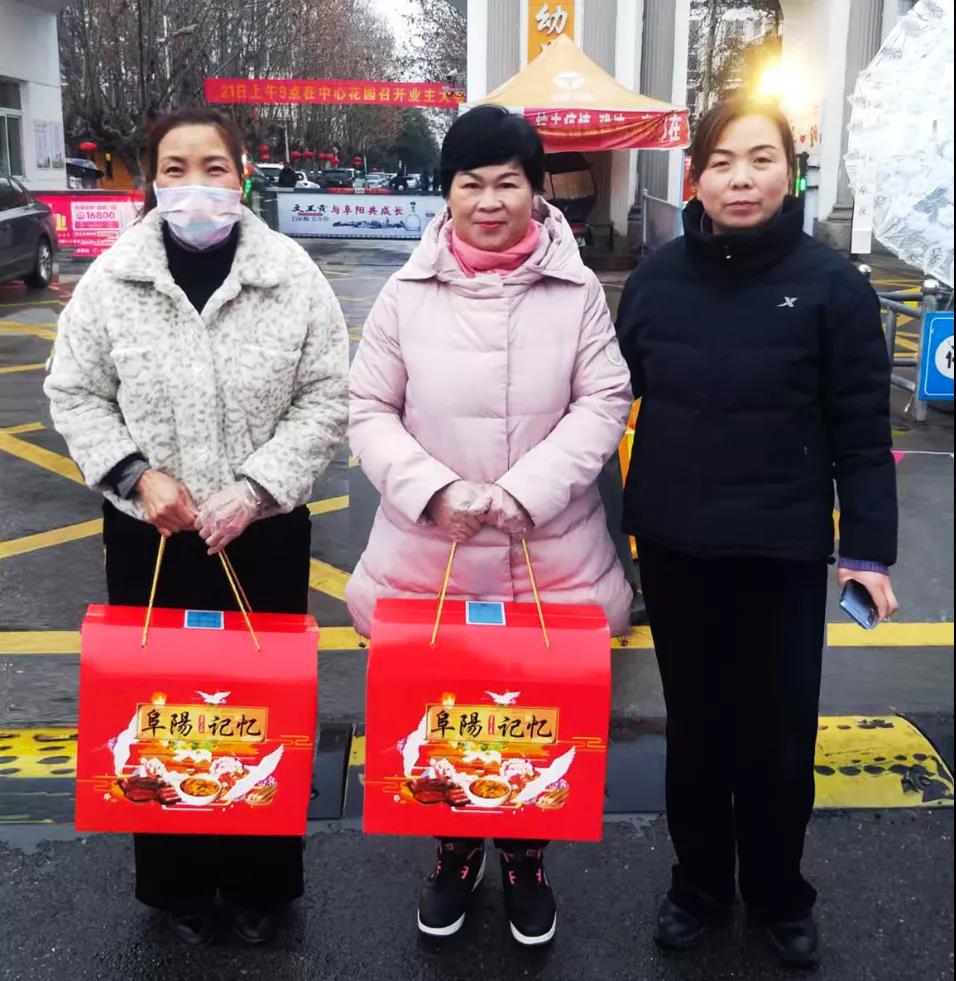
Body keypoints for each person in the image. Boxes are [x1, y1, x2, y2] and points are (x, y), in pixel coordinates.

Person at [45, 107, 349, 947]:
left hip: (264, 535)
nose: (195, 186)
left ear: (243, 176)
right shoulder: (113, 280)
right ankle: (177, 882)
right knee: (163, 714)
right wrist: (136, 476)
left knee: (258, 713)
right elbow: (74, 392)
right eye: (175, 169)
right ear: (152, 181)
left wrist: (256, 488)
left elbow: (327, 396)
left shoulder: (291, 276)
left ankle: (261, 881)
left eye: (214, 167)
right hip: (153, 536)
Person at [615, 95, 898, 968]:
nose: (742, 179)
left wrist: (869, 552)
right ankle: (698, 885)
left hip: (781, 550)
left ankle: (779, 891)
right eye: (723, 162)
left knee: (779, 737)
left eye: (761, 159)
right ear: (695, 177)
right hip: (676, 547)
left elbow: (861, 430)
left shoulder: (833, 286)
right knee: (696, 729)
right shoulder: (656, 282)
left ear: (791, 173)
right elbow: (602, 404)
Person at [347, 104, 633, 947]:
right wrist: (433, 490)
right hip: (428, 550)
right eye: (470, 183)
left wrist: (524, 493)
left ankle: (525, 858)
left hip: (550, 553)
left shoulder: (577, 292)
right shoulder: (405, 295)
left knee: (532, 719)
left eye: (508, 182)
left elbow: (603, 401)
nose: (489, 200)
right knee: (443, 716)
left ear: (536, 191)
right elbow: (368, 408)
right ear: (447, 193)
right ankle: (454, 850)